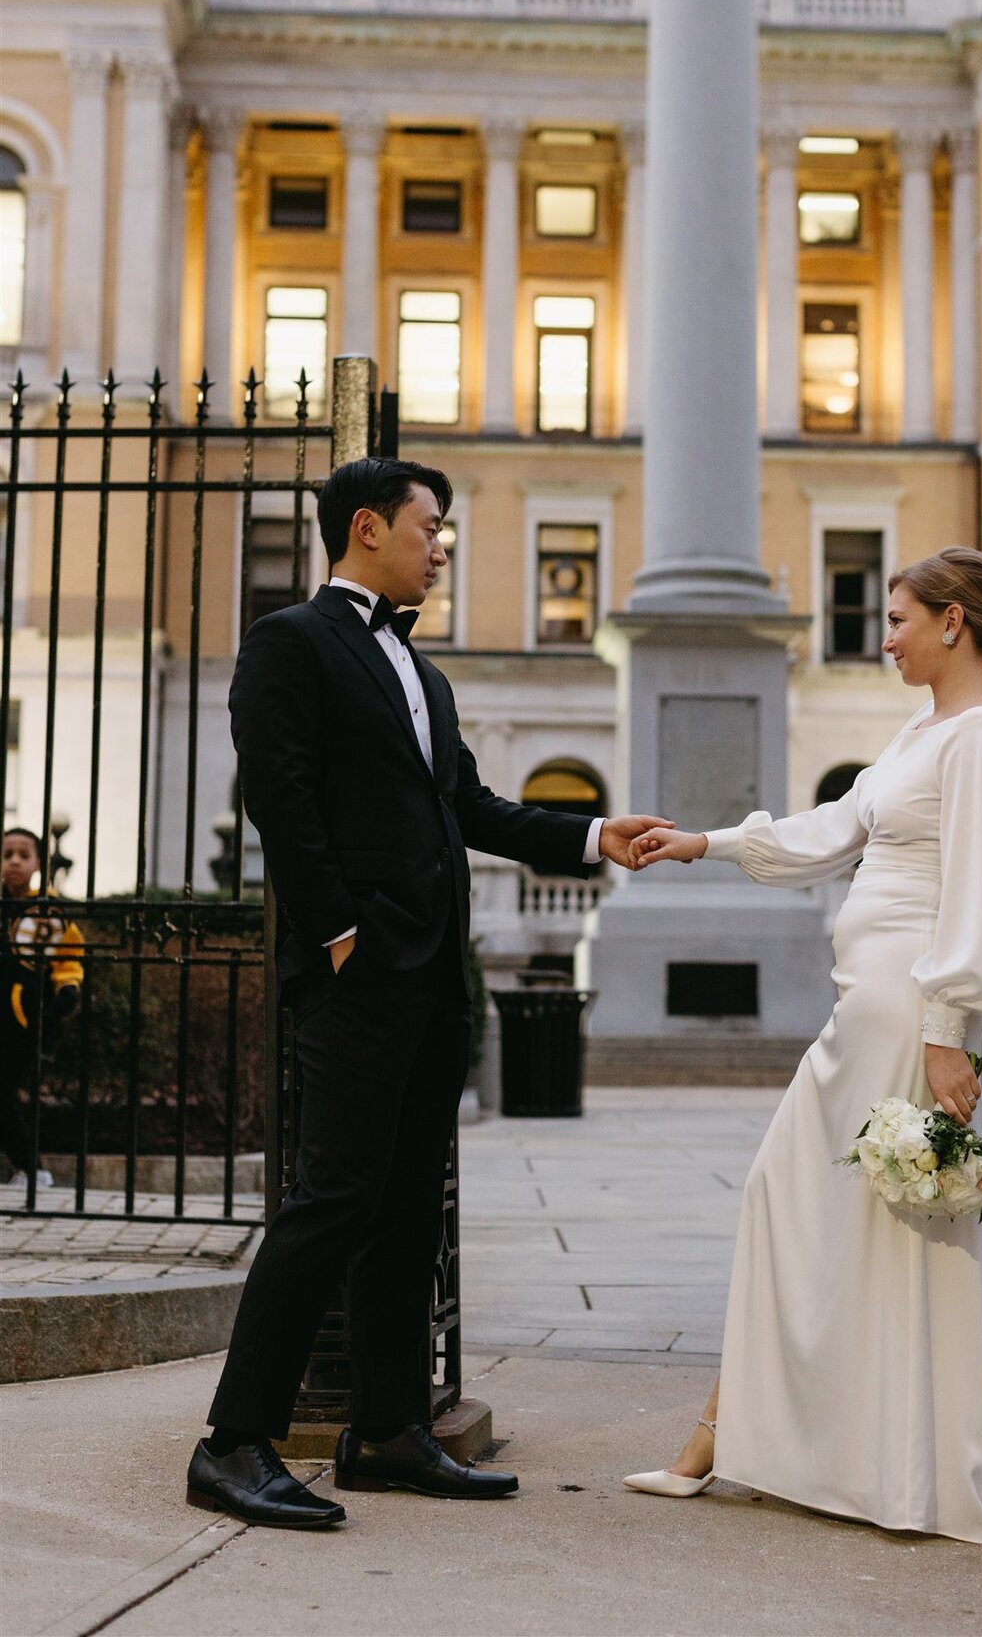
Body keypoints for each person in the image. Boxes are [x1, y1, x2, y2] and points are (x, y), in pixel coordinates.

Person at [187, 457, 670, 1531]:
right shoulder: (289, 644)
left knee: (408, 1214)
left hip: (433, 982)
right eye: (429, 526)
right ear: (367, 528)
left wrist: (600, 834)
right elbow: (282, 798)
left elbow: (479, 810)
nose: (442, 544)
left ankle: (389, 1431)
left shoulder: (425, 673)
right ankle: (232, 1441)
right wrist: (339, 934)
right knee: (332, 1204)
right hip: (361, 977)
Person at [622, 547, 982, 1544]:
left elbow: (977, 891)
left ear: (952, 623)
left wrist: (951, 1035)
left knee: (898, 1228)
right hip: (868, 1003)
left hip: (913, 1009)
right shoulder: (923, 727)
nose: (885, 633)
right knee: (809, 1208)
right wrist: (710, 844)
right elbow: (837, 828)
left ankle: (902, 1467)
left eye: (899, 618)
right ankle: (743, 1441)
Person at [1, 826, 84, 1191]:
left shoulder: (48, 910)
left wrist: (68, 988)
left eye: (23, 855)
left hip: (19, 1017)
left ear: (38, 863)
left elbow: (69, 956)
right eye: (7, 855)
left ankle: (33, 1170)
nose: (14, 861)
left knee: (1, 1093)